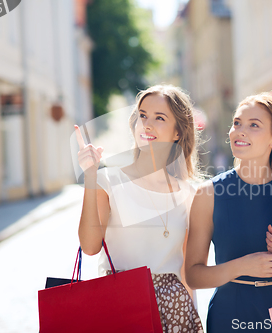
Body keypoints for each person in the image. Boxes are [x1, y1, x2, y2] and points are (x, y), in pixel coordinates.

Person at [185, 92, 272, 332]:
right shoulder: (208, 194)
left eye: (254, 125)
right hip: (231, 316)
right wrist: (242, 266)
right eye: (237, 123)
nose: (240, 131)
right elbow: (193, 276)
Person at [74, 85, 204, 333]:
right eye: (142, 115)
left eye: (159, 118)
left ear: (178, 132)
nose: (147, 124)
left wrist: (192, 322)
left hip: (174, 314)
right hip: (120, 306)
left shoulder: (190, 194)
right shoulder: (107, 182)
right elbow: (90, 247)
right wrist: (90, 176)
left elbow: (188, 273)